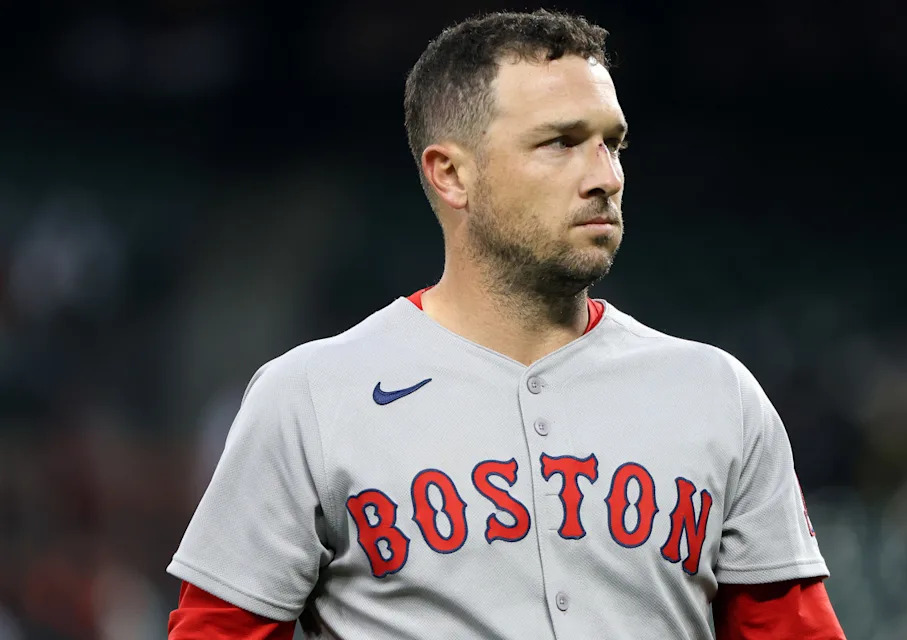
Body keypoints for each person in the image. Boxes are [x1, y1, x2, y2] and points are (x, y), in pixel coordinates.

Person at [167, 10, 846, 640]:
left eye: (612, 144)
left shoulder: (717, 394)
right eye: (560, 143)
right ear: (452, 175)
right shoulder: (311, 396)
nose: (604, 176)